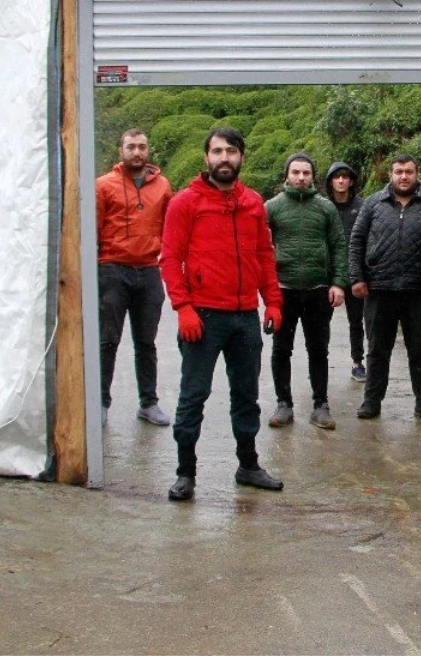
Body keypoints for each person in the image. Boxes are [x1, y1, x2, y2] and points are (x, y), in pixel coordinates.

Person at [159, 127, 285, 502]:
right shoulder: (185, 203)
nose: (224, 158)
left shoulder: (252, 203)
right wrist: (182, 307)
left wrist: (273, 302)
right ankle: (186, 473)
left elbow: (264, 256)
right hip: (203, 317)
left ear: (241, 157)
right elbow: (169, 258)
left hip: (245, 316)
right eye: (217, 151)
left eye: (231, 151)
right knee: (193, 396)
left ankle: (248, 464)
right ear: (206, 158)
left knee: (247, 395)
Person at [349, 154, 421, 423]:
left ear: (416, 173)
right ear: (391, 174)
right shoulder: (374, 203)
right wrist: (357, 277)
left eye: (409, 171)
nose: (404, 176)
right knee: (376, 350)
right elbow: (356, 241)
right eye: (399, 171)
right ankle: (372, 401)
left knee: (420, 350)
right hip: (379, 288)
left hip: (418, 290)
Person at [95, 129, 173, 427]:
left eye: (142, 147)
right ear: (121, 150)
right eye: (131, 147)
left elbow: (169, 228)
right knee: (107, 340)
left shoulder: (163, 186)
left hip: (149, 271)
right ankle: (101, 402)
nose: (137, 152)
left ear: (148, 150)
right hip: (112, 269)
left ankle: (148, 403)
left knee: (146, 342)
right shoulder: (103, 185)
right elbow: (93, 230)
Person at [265, 153, 349, 431]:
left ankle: (321, 406)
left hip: (317, 291)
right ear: (286, 175)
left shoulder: (326, 209)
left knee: (318, 350)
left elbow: (339, 246)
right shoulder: (272, 208)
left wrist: (338, 282)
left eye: (306, 173)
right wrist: (266, 290)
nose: (301, 177)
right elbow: (259, 248)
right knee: (281, 350)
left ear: (313, 177)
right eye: (296, 172)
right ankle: (283, 404)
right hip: (283, 291)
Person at [325, 161, 367, 382]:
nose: (341, 181)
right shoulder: (322, 206)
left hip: (355, 272)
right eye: (337, 177)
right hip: (327, 274)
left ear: (351, 181)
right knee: (322, 321)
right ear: (330, 181)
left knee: (356, 320)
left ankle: (357, 362)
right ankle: (320, 359)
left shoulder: (362, 207)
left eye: (345, 177)